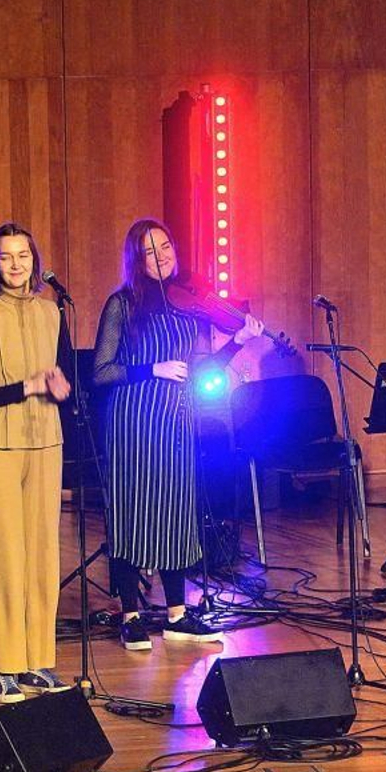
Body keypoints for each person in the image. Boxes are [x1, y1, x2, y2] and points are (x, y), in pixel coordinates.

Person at [92, 218, 262, 650]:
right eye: (150, 251)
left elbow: (202, 370)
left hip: (176, 424)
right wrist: (153, 369)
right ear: (136, 259)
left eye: (165, 246)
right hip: (132, 423)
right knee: (131, 518)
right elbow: (101, 371)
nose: (161, 255)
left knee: (174, 518)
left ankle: (176, 615)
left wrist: (238, 340)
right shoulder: (122, 305)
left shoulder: (189, 308)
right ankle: (130, 614)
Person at [0, 223, 74, 704]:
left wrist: (64, 390)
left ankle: (37, 661)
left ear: (34, 259)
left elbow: (68, 380)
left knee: (43, 556)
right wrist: (25, 387)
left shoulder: (54, 313)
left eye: (23, 255)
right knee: (6, 558)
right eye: (6, 257)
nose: (16, 265)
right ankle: (4, 666)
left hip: (45, 442)